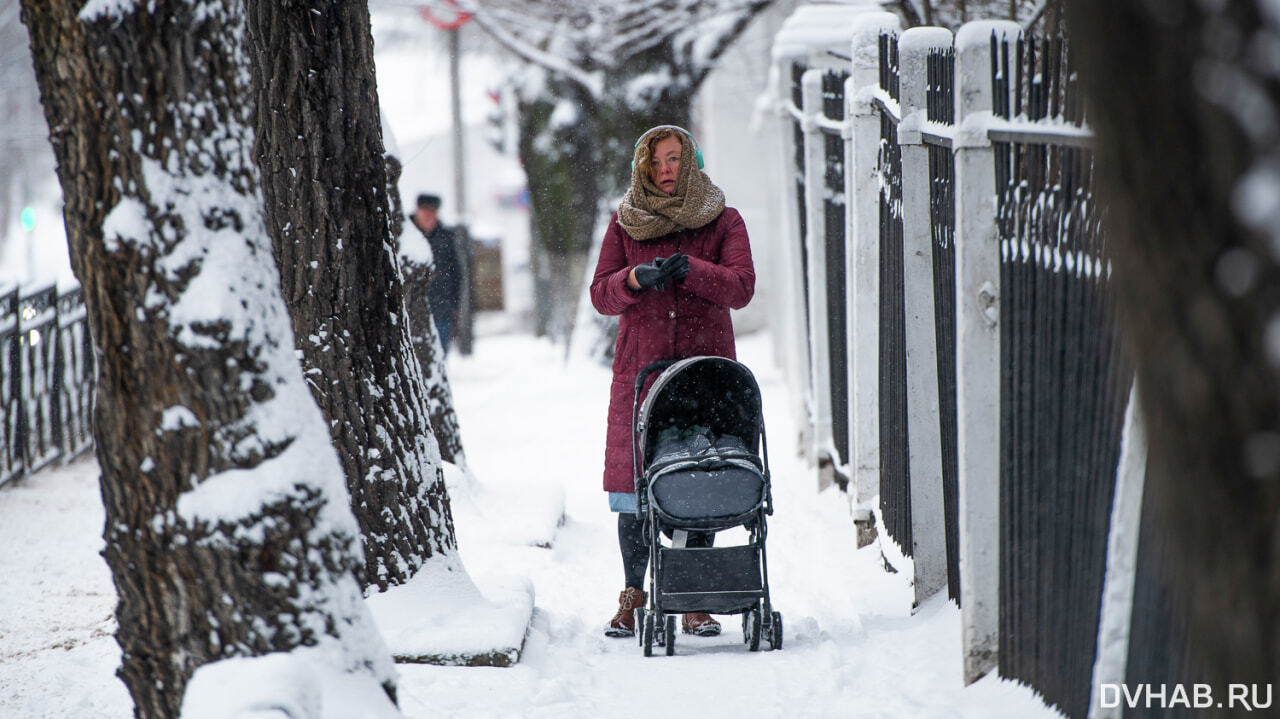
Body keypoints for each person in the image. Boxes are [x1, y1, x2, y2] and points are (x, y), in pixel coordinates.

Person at [589, 125, 755, 639]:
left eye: (676, 159)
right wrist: (636, 280)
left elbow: (742, 288)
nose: (666, 169)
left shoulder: (724, 220)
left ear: (692, 163)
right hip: (643, 375)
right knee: (636, 488)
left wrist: (693, 271)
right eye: (657, 161)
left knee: (700, 478)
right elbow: (601, 295)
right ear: (643, 166)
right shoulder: (625, 224)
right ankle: (632, 594)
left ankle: (695, 600)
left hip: (707, 376)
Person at [409, 193, 463, 353]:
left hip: (440, 311)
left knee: (439, 356)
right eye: (425, 213)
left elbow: (456, 275)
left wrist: (454, 306)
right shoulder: (405, 236)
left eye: (432, 213)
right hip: (412, 312)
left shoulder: (446, 238)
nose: (429, 217)